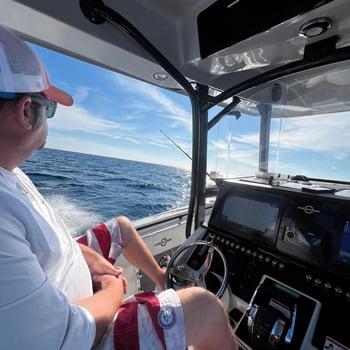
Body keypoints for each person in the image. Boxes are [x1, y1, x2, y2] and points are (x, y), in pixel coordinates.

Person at [0, 25, 237, 350]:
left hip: (67, 288)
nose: (50, 117)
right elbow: (63, 337)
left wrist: (82, 254)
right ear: (26, 111)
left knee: (122, 227)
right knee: (205, 308)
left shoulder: (9, 173)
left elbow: (39, 246)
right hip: (79, 331)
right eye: (49, 108)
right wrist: (113, 287)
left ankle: (162, 281)